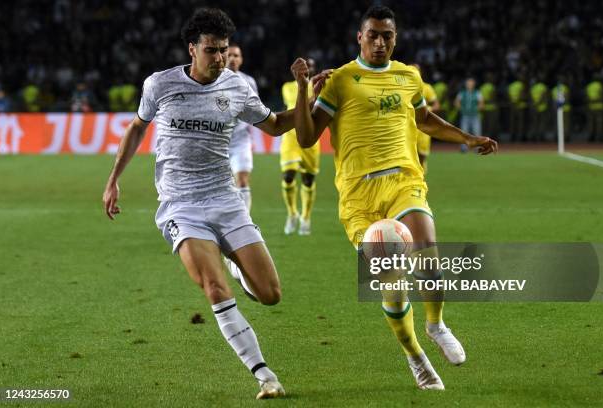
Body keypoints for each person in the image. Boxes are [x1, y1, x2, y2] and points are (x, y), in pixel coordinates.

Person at [102, 8, 327, 400]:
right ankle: (264, 375)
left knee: (270, 294)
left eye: (223, 50)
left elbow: (274, 126)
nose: (219, 58)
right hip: (180, 204)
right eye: (211, 50)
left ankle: (237, 268)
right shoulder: (160, 85)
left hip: (225, 199)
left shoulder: (237, 87)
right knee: (214, 287)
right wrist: (113, 180)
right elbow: (137, 126)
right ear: (193, 49)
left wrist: (306, 92)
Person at [290, 5, 497, 390]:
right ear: (360, 38)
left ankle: (436, 324)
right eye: (373, 35)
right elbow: (305, 137)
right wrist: (303, 90)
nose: (380, 42)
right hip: (357, 195)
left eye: (387, 35)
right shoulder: (340, 81)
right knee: (393, 280)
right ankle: (414, 355)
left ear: (395, 38)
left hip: (403, 179)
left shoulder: (408, 76)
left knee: (427, 249)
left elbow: (425, 120)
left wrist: (467, 138)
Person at [280, 58, 320, 235]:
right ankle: (292, 214)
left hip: (311, 137)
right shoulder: (287, 87)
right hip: (290, 137)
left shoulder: (319, 86)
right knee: (288, 175)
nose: (307, 69)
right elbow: (300, 106)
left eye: (310, 67)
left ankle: (306, 217)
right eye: (304, 66)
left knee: (308, 180)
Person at [226, 43, 261, 210]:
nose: (232, 58)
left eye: (236, 55)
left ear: (241, 60)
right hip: (217, 141)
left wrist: (252, 138)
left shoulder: (249, 82)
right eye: (229, 54)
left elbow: (256, 111)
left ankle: (245, 222)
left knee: (242, 180)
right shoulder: (211, 80)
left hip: (240, 140)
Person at [412, 64, 440, 172]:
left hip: (423, 126)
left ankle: (421, 174)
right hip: (408, 126)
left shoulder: (426, 88)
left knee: (422, 154)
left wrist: (429, 109)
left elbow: (437, 105)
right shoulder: (403, 88)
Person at [455, 77, 484, 152]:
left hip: (475, 115)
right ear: (466, 84)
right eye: (468, 83)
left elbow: (481, 103)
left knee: (477, 132)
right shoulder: (462, 93)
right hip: (465, 115)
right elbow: (457, 102)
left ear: (474, 84)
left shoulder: (477, 93)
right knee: (464, 132)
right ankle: (464, 148)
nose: (470, 85)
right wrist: (461, 109)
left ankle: (477, 148)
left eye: (471, 83)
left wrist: (477, 108)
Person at [480, 73, 499, 140]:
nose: (493, 79)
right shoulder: (492, 87)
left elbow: (481, 99)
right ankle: (490, 139)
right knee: (492, 125)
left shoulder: (482, 87)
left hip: (484, 108)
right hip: (492, 108)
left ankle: (485, 138)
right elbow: (494, 98)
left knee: (485, 125)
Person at [585, 76, 603, 142]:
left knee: (590, 123)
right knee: (599, 123)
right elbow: (602, 95)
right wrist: (597, 100)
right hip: (599, 107)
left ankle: (591, 137)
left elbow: (586, 97)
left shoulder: (588, 86)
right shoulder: (599, 85)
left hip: (591, 107)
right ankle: (598, 138)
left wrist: (591, 101)